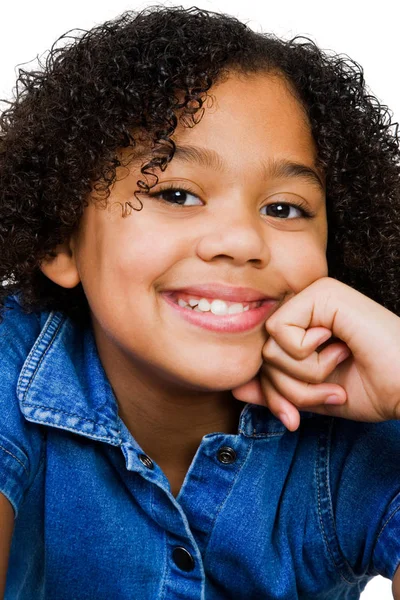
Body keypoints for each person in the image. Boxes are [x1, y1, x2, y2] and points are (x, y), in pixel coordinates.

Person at [0, 5, 399, 599]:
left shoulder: (357, 416)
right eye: (178, 193)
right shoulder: (12, 365)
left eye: (283, 208)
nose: (240, 241)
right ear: (62, 237)